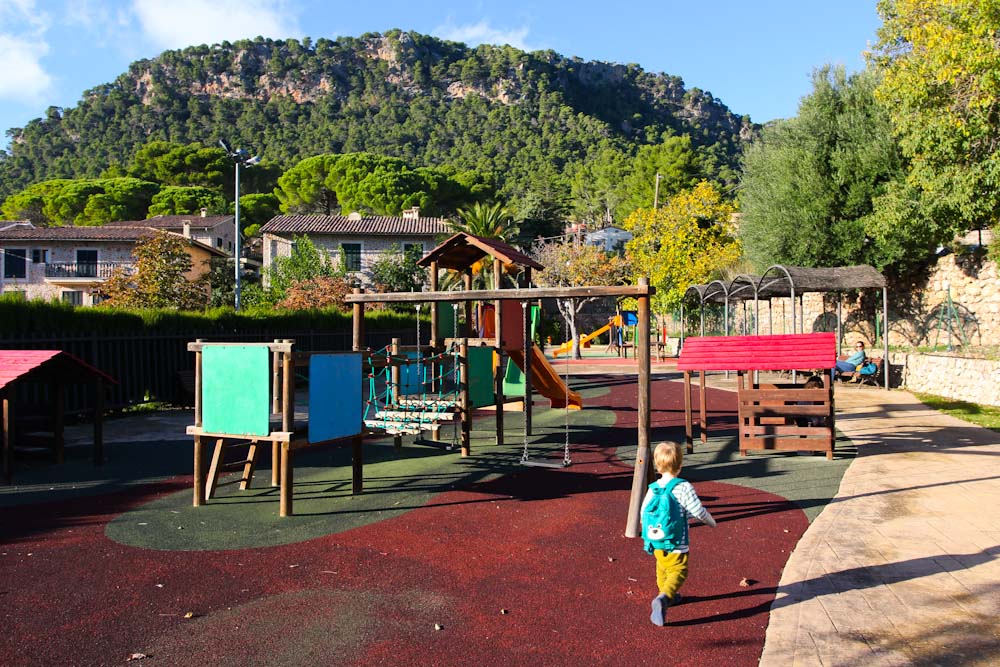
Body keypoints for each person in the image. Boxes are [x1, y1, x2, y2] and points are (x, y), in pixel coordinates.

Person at [641, 441, 717, 626]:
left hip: (656, 540)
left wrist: (646, 532)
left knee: (662, 567)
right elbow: (698, 511)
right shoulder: (683, 487)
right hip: (677, 542)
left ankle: (668, 594)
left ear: (657, 466)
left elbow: (644, 512)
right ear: (680, 465)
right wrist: (711, 522)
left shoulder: (653, 488)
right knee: (678, 570)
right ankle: (664, 597)